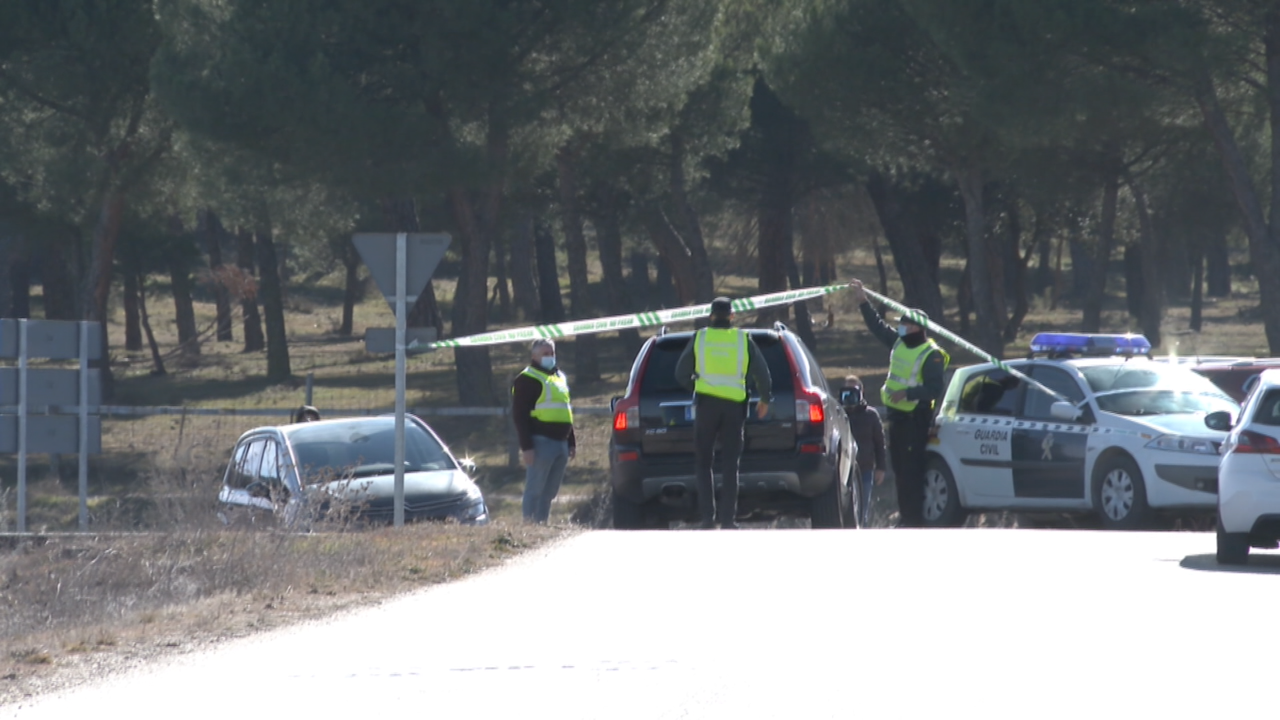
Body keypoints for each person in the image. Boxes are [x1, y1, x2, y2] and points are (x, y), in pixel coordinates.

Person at [848, 280, 949, 527]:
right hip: (897, 418)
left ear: (917, 328)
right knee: (901, 471)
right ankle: (906, 517)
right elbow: (877, 327)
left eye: (905, 324)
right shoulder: (900, 343)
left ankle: (914, 520)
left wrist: (908, 393)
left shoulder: (931, 354)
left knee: (912, 471)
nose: (901, 327)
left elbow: (935, 388)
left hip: (916, 419)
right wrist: (863, 301)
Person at [675, 297, 772, 529]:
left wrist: (697, 387)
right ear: (732, 316)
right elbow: (762, 373)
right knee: (730, 465)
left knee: (703, 463)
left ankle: (708, 519)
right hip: (734, 408)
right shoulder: (743, 339)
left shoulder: (700, 338)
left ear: (710, 316)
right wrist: (765, 399)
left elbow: (680, 373)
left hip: (706, 406)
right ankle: (728, 520)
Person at [511, 339, 575, 524]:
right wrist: (527, 447)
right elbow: (519, 416)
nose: (549, 357)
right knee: (535, 490)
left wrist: (571, 442)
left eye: (551, 353)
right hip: (541, 442)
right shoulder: (526, 379)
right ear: (534, 356)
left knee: (549, 492)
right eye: (545, 354)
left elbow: (565, 410)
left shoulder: (560, 377)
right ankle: (529, 528)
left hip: (561, 442)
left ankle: (542, 525)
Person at [839, 375, 885, 527]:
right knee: (842, 512)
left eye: (854, 391)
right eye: (847, 391)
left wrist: (881, 467)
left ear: (861, 392)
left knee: (861, 511)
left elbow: (879, 443)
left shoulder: (871, 415)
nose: (851, 395)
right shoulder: (839, 415)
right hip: (843, 471)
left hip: (865, 469)